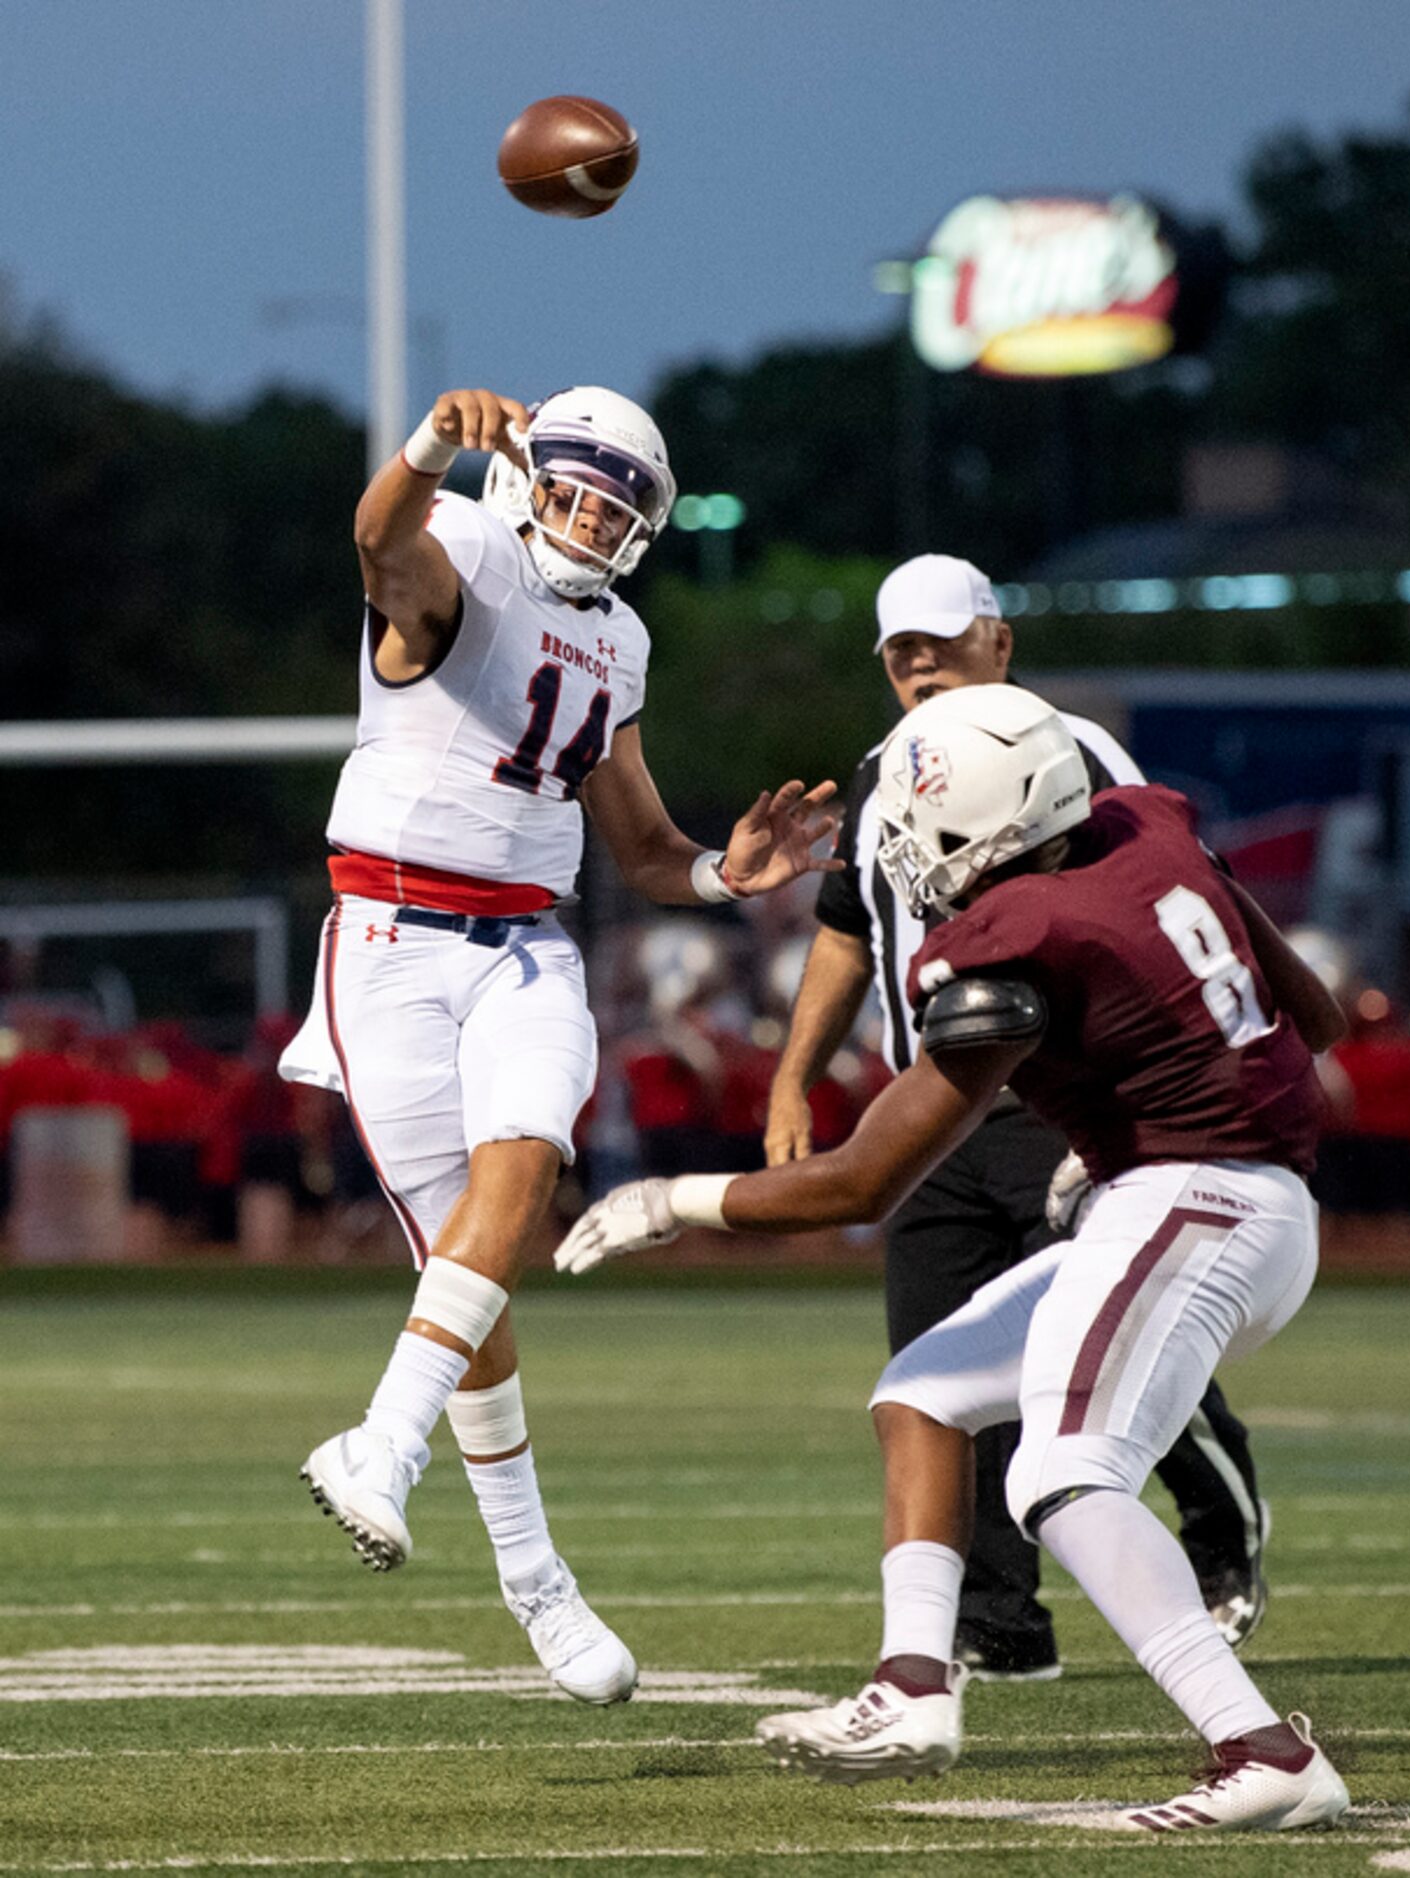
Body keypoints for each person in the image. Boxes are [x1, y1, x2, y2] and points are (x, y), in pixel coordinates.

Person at [559, 683, 1350, 1833]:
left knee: (1061, 1477)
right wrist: (1128, 1121)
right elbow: (1313, 1018)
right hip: (1205, 1188)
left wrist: (677, 1199)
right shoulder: (1149, 826)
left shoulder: (1015, 932)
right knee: (923, 1392)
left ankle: (1262, 1749)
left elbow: (862, 1181)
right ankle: (914, 1688)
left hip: (1202, 1202)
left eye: (919, 820)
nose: (902, 847)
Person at [279, 386, 839, 1704]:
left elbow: (640, 846)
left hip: (528, 944)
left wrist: (724, 870)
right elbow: (377, 547)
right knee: (457, 1282)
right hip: (390, 944)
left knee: (518, 1181)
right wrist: (425, 443)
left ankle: (383, 1444)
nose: (593, 515)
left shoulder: (622, 644)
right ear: (531, 480)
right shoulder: (463, 547)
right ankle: (537, 1582)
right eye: (578, 486)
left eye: (620, 503)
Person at [761, 553, 1271, 1679]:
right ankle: (1000, 1619)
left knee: (1098, 1346)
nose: (922, 664)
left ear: (1001, 641)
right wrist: (795, 1077)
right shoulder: (881, 767)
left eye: (943, 641)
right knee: (942, 1370)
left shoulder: (1075, 753)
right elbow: (846, 929)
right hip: (929, 1110)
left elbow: (1171, 898)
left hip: (1055, 1101)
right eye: (902, 651)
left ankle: (1221, 1517)